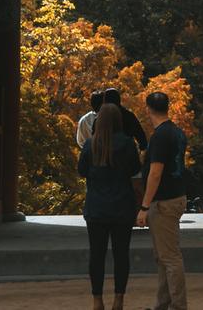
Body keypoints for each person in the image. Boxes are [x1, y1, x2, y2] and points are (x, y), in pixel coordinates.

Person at [78, 102, 140, 310]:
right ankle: (119, 299)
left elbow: (82, 171)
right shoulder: (128, 144)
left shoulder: (90, 145)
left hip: (97, 207)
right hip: (122, 205)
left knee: (97, 255)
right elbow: (134, 170)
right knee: (121, 254)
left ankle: (97, 300)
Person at [137, 91, 188, 310]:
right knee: (164, 256)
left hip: (164, 201)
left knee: (169, 257)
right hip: (177, 195)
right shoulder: (177, 132)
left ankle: (177, 305)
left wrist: (144, 206)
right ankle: (163, 303)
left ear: (148, 109)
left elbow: (155, 173)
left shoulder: (159, 137)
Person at [101, 87, 148, 152]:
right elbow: (142, 138)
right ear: (119, 99)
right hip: (127, 151)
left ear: (104, 101)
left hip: (106, 154)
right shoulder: (129, 115)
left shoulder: (100, 118)